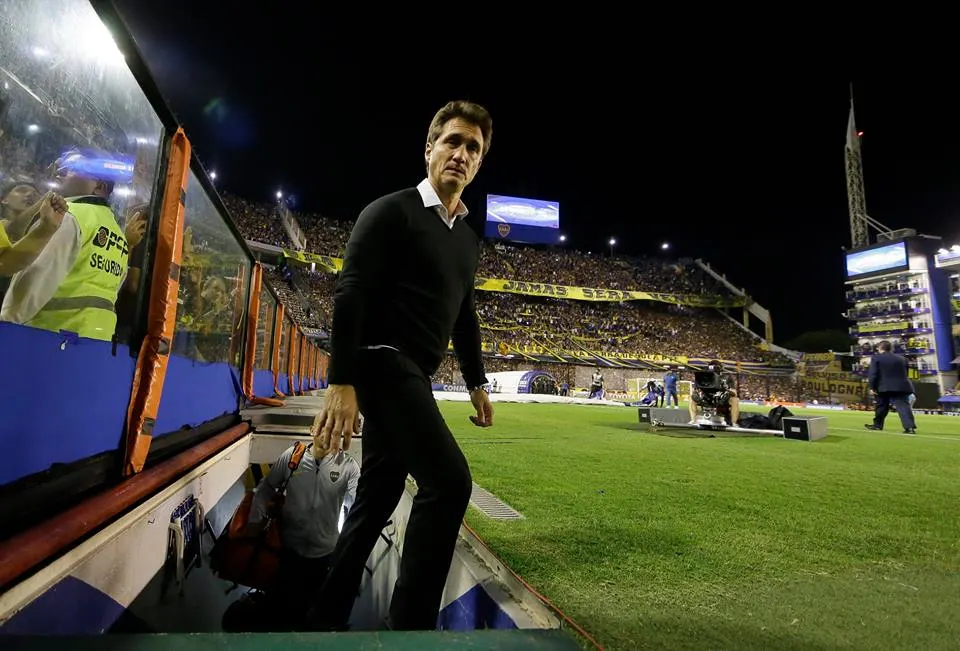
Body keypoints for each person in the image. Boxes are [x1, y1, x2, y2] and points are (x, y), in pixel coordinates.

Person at [305, 100, 495, 632]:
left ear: (479, 165)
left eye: (473, 148)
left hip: (413, 374)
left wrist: (479, 382)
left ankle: (323, 619)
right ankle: (409, 630)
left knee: (378, 497)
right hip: (384, 364)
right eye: (453, 141)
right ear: (430, 148)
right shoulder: (391, 210)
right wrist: (340, 380)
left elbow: (464, 314)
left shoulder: (467, 240)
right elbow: (352, 292)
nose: (461, 154)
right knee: (450, 484)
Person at [864, 340, 916, 434]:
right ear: (891, 348)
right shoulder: (903, 359)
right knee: (903, 406)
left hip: (883, 386)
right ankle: (909, 428)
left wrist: (871, 387)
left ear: (880, 348)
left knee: (882, 406)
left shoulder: (876, 358)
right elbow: (906, 373)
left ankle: (877, 425)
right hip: (901, 386)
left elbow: (873, 374)